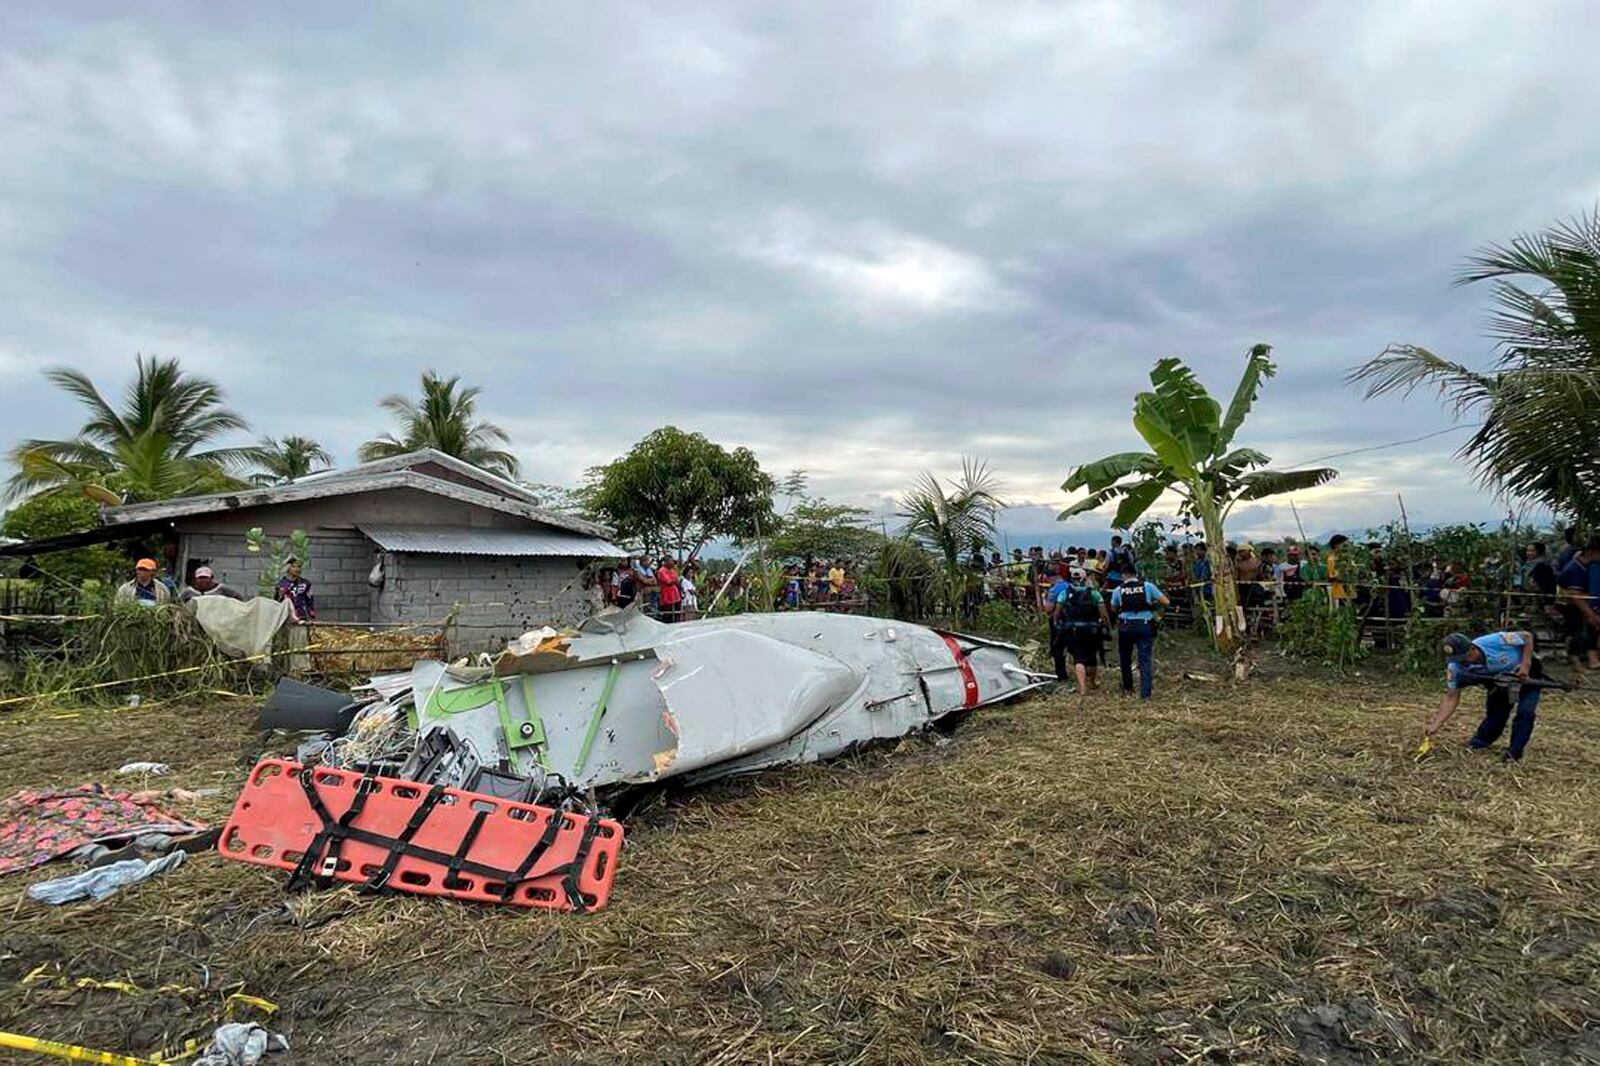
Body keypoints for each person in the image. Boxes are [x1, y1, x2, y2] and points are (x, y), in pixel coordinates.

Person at [1420, 631, 1543, 762]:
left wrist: (1525, 664)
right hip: (1500, 680)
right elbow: (1451, 696)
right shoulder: (1455, 668)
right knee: (1496, 714)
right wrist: (1436, 724)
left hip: (1527, 674)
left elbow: (1527, 636)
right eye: (1457, 659)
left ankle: (1514, 753)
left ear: (1473, 648)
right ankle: (1480, 741)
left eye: (1463, 657)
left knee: (1525, 713)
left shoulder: (1495, 641)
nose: (1462, 663)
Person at [1111, 568, 1170, 700]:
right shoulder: (1147, 586)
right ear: (1136, 574)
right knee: (1144, 660)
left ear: (1123, 575)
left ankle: (1128, 687)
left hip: (1125, 626)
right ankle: (1145, 694)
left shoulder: (1118, 589)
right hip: (1144, 625)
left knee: (1125, 657)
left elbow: (1113, 607)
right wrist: (1151, 605)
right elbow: (1166, 602)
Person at [1051, 566, 1109, 694]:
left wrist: (1057, 625)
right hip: (1092, 630)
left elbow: (1057, 613)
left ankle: (1082, 687)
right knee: (1092, 657)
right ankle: (1092, 683)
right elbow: (1103, 614)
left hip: (1073, 630)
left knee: (1079, 658)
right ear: (1085, 578)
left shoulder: (1064, 593)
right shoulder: (1094, 593)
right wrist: (1105, 626)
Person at [1556, 536, 1600, 670]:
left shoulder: (1586, 566)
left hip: (1581, 602)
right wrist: (1590, 615)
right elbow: (1575, 596)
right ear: (1593, 552)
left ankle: (1591, 659)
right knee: (1578, 632)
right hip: (1570, 605)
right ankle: (1576, 663)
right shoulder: (1575, 568)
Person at [274, 557, 316, 623]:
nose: (297, 569)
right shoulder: (281, 584)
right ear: (288, 568)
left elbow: (309, 600)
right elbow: (276, 602)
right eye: (294, 566)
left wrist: (311, 614)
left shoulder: (305, 583)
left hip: (302, 617)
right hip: (287, 618)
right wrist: (280, 595)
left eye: (299, 567)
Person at [180, 565, 246, 603]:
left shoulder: (221, 588)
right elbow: (178, 603)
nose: (203, 580)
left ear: (211, 578)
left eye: (206, 578)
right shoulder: (188, 591)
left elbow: (238, 597)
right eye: (200, 578)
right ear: (196, 579)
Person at [1326, 535, 1352, 605]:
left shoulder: (1349, 559)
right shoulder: (1332, 559)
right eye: (1344, 544)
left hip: (1350, 592)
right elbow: (1332, 576)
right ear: (1336, 545)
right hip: (1339, 593)